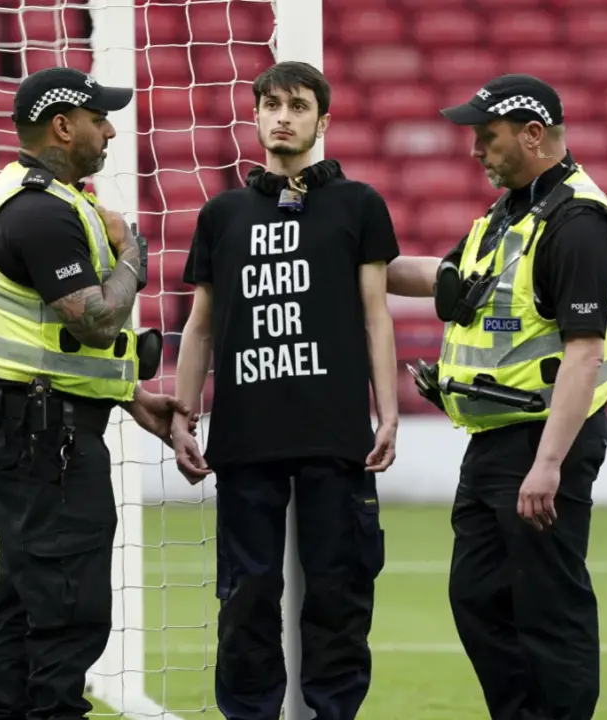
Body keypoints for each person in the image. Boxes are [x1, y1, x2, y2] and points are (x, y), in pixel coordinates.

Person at [385, 73, 607, 720]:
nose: (475, 149)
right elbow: (438, 275)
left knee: (548, 606)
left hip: (543, 438)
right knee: (477, 597)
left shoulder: (578, 223)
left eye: (486, 135)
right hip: (497, 439)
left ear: (532, 135)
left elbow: (585, 353)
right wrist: (346, 254)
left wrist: (548, 463)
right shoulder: (509, 215)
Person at [0, 66, 197, 720]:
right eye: (98, 118)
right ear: (63, 125)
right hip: (44, 440)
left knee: (27, 605)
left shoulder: (27, 196)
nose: (110, 129)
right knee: (67, 609)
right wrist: (132, 258)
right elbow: (92, 317)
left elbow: (48, 345)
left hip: (31, 424)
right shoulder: (41, 212)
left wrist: (128, 396)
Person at [169, 60, 400, 720]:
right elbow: (201, 324)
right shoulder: (223, 214)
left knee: (339, 593)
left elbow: (375, 314)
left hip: (335, 433)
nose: (283, 116)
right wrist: (184, 416)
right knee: (246, 596)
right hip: (246, 437)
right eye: (271, 105)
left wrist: (387, 413)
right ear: (256, 115)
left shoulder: (359, 204)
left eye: (298, 106)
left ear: (321, 120)